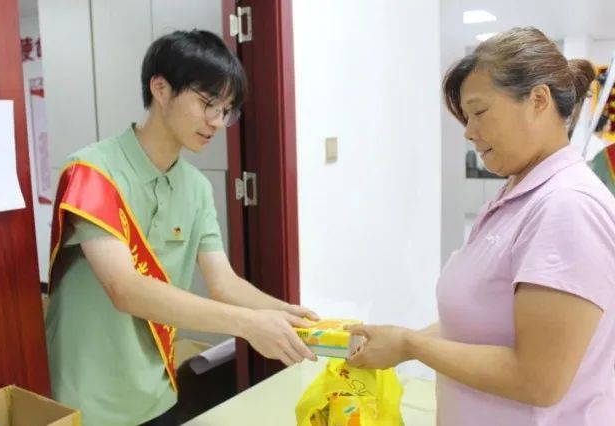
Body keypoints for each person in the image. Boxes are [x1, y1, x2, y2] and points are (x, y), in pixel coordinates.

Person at [46, 30, 317, 426]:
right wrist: (248, 324)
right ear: (160, 88)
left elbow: (224, 282)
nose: (217, 122)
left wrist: (287, 313)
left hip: (158, 391)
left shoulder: (197, 187)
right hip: (86, 396)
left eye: (227, 110)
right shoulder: (93, 172)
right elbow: (125, 288)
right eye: (208, 103)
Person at [347, 27, 615, 425]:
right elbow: (478, 324)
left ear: (538, 100)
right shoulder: (515, 196)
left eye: (480, 112)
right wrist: (398, 343)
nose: (469, 132)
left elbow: (539, 380)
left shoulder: (568, 206)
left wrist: (411, 345)